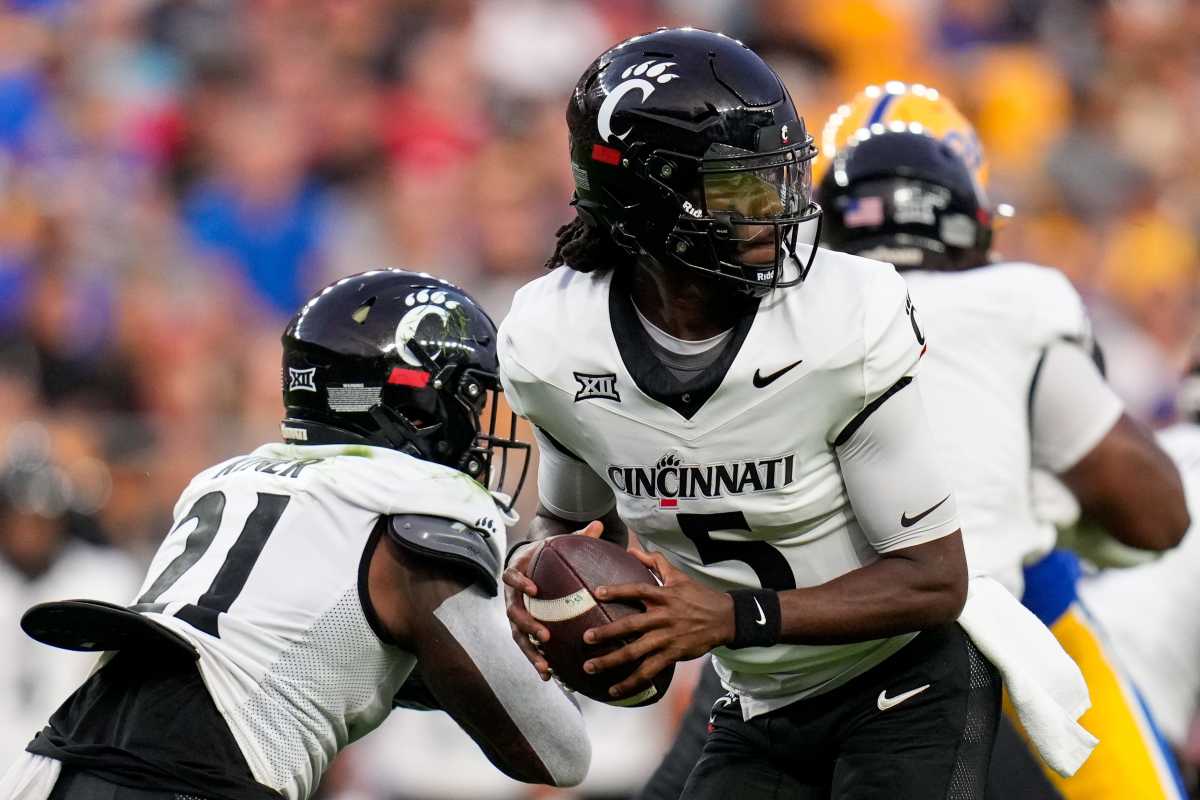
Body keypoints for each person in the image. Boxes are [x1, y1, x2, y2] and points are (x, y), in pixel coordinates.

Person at [500, 28, 1014, 799]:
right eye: (742, 188)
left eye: (781, 180)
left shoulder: (841, 318)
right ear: (648, 197)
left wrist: (730, 617)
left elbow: (935, 581)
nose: (778, 213)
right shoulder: (554, 342)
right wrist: (541, 583)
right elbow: (578, 531)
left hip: (908, 679)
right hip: (760, 699)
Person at [0, 270, 591, 800]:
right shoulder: (417, 512)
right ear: (415, 401)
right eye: (467, 398)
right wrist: (566, 655)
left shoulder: (233, 479)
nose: (476, 428)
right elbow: (559, 753)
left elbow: (341, 651)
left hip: (53, 759)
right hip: (194, 774)